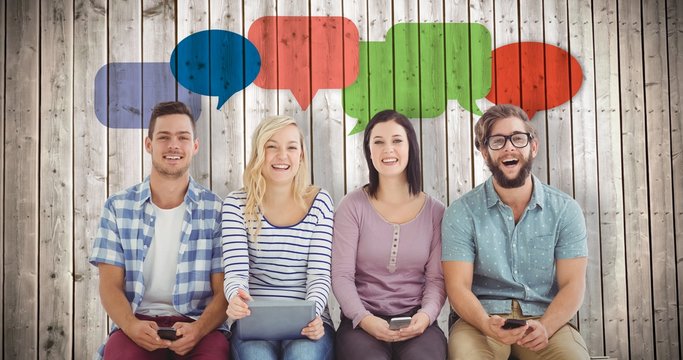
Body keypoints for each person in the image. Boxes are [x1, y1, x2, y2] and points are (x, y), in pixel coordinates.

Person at [441, 104, 589, 359]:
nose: (509, 147)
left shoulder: (565, 210)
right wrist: (485, 323)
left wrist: (546, 326)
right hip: (481, 321)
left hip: (545, 319)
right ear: (485, 153)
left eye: (518, 138)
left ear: (533, 146)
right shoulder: (461, 212)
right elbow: (458, 287)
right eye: (497, 141)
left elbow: (573, 284)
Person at [90, 101, 230, 359]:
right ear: (149, 144)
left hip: (199, 324)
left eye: (183, 137)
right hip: (138, 321)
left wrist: (198, 330)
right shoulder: (117, 208)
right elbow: (110, 286)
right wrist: (131, 326)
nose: (173, 145)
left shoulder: (217, 211)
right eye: (164, 137)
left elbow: (223, 292)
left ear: (195, 146)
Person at [332, 109, 447, 360]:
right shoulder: (351, 206)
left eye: (397, 140)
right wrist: (364, 319)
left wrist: (425, 316)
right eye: (378, 142)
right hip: (361, 324)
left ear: (411, 147)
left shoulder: (436, 212)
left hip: (418, 323)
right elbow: (341, 275)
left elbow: (437, 280)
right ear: (369, 151)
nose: (388, 150)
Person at [221, 116, 335, 360]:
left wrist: (313, 314)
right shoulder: (236, 205)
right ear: (258, 153)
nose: (282, 155)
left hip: (309, 322)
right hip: (254, 322)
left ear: (301, 154)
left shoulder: (319, 203)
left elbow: (319, 275)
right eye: (272, 146)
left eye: (291, 147)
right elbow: (236, 274)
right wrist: (236, 296)